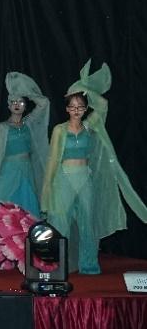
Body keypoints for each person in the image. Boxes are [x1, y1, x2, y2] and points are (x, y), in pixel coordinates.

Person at [41, 61, 147, 274]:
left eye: (80, 106)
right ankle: (57, 266)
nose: (76, 110)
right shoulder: (60, 130)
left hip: (84, 177)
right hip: (63, 178)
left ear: (86, 108)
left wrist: (85, 89)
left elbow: (104, 104)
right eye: (72, 107)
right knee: (60, 222)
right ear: (66, 109)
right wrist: (47, 187)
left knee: (88, 222)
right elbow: (52, 160)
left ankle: (88, 264)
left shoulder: (91, 127)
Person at [0, 72, 49, 216]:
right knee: (6, 212)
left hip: (26, 172)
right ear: (8, 106)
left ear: (25, 106)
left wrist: (27, 92)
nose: (16, 105)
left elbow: (44, 103)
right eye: (13, 102)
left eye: (20, 102)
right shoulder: (3, 128)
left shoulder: (29, 124)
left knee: (28, 211)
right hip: (8, 173)